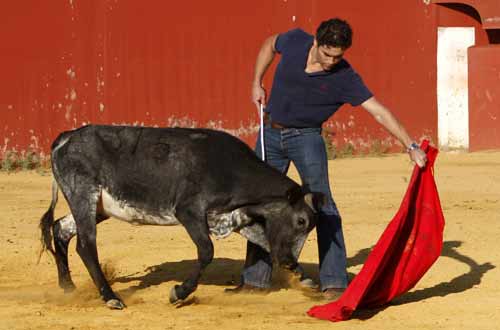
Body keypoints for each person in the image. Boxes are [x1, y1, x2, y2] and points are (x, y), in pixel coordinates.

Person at [231, 18, 427, 299]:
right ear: (315, 43)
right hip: (270, 133)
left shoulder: (345, 76)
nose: (333, 61)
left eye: (338, 56)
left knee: (323, 205)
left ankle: (334, 282)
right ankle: (255, 280)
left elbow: (379, 111)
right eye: (327, 54)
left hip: (306, 139)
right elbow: (269, 44)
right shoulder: (296, 40)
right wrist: (256, 82)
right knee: (262, 205)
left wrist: (409, 144)